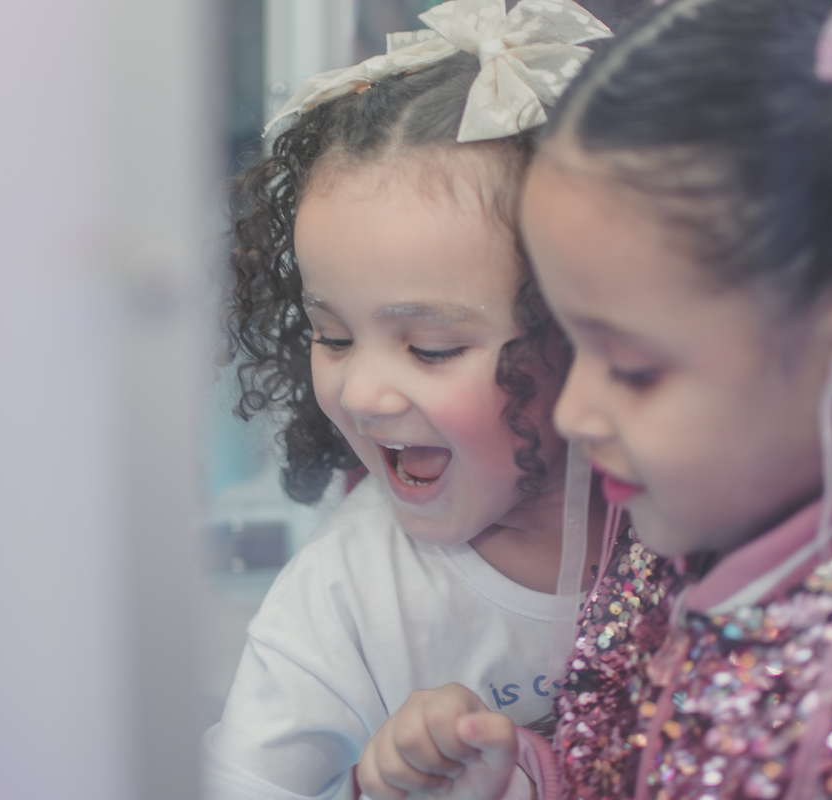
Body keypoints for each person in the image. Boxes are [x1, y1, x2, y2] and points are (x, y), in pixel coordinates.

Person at [358, 0, 832, 798]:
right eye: (567, 344)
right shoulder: (677, 526)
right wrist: (522, 778)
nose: (572, 413)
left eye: (630, 367)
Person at [205, 3, 612, 798]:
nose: (360, 392)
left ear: (587, 329)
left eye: (431, 348)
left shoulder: (686, 526)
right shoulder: (346, 596)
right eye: (332, 337)